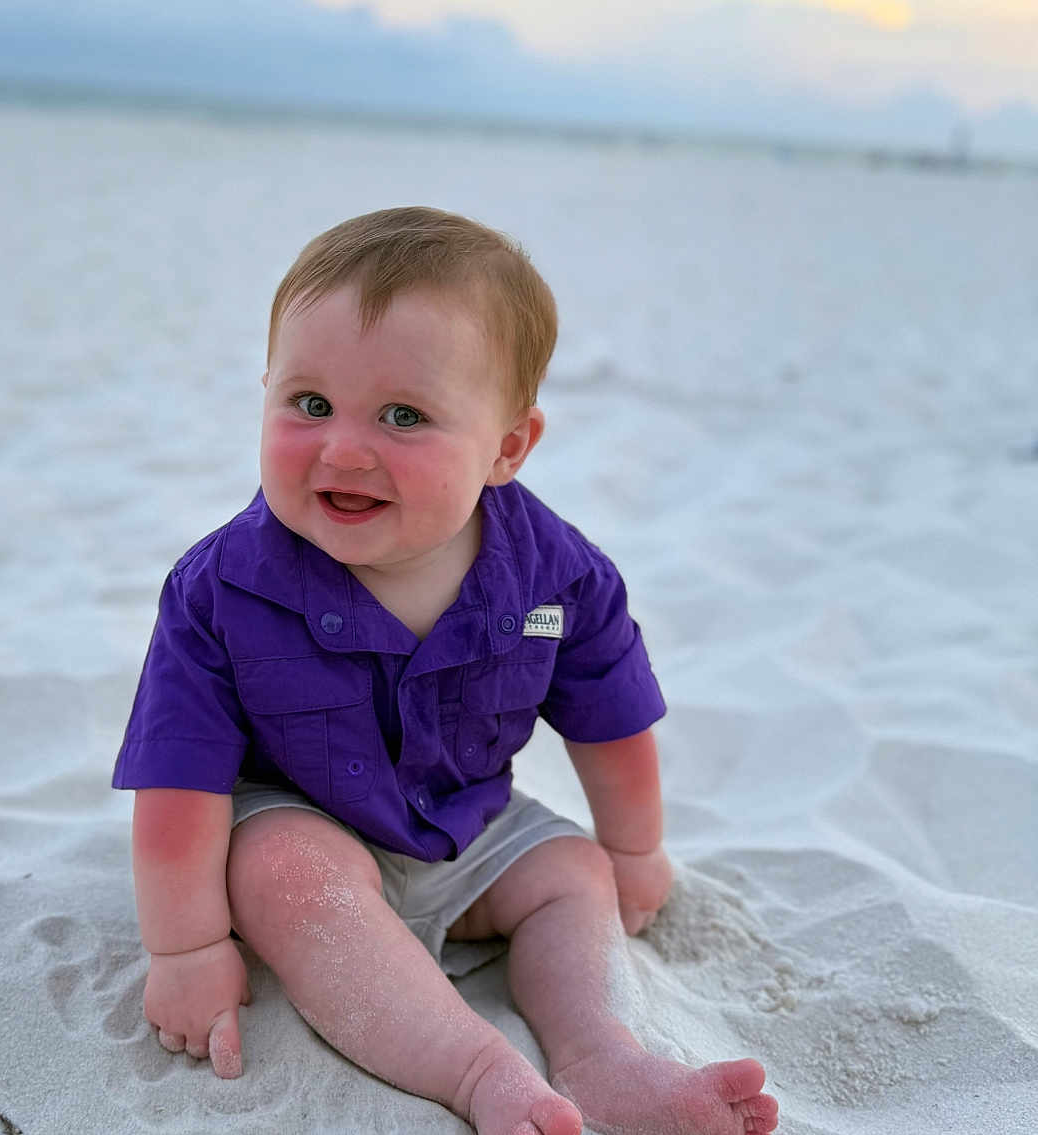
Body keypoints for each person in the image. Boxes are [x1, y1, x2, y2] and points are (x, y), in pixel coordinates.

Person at [113, 206, 779, 1135]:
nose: (344, 448)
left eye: (403, 416)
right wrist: (184, 946)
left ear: (507, 447)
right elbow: (178, 782)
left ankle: (601, 1056)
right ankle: (477, 1073)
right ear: (264, 391)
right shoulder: (219, 588)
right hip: (307, 814)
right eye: (309, 404)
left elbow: (610, 717)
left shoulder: (558, 575)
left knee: (570, 871)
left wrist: (632, 849)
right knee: (285, 873)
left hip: (469, 816)